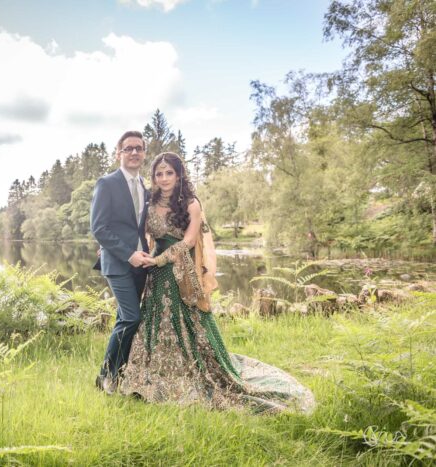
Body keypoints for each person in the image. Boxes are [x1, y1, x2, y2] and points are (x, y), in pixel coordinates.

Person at [119, 152, 315, 413]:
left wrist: (159, 260)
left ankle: (198, 373)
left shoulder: (191, 203)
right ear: (153, 177)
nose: (164, 178)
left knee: (186, 322)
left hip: (181, 272)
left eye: (169, 173)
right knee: (155, 320)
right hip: (155, 275)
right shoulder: (150, 201)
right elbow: (140, 232)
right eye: (159, 174)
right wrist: (121, 249)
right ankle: (155, 376)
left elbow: (188, 241)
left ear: (179, 175)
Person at [91, 130, 151, 393]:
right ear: (119, 153)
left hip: (142, 264)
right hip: (118, 263)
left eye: (139, 148)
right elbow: (99, 228)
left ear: (144, 153)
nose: (134, 152)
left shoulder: (144, 187)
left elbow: (140, 227)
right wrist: (129, 254)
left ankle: (113, 374)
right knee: (131, 318)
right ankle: (108, 377)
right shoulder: (107, 183)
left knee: (123, 318)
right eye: (129, 148)